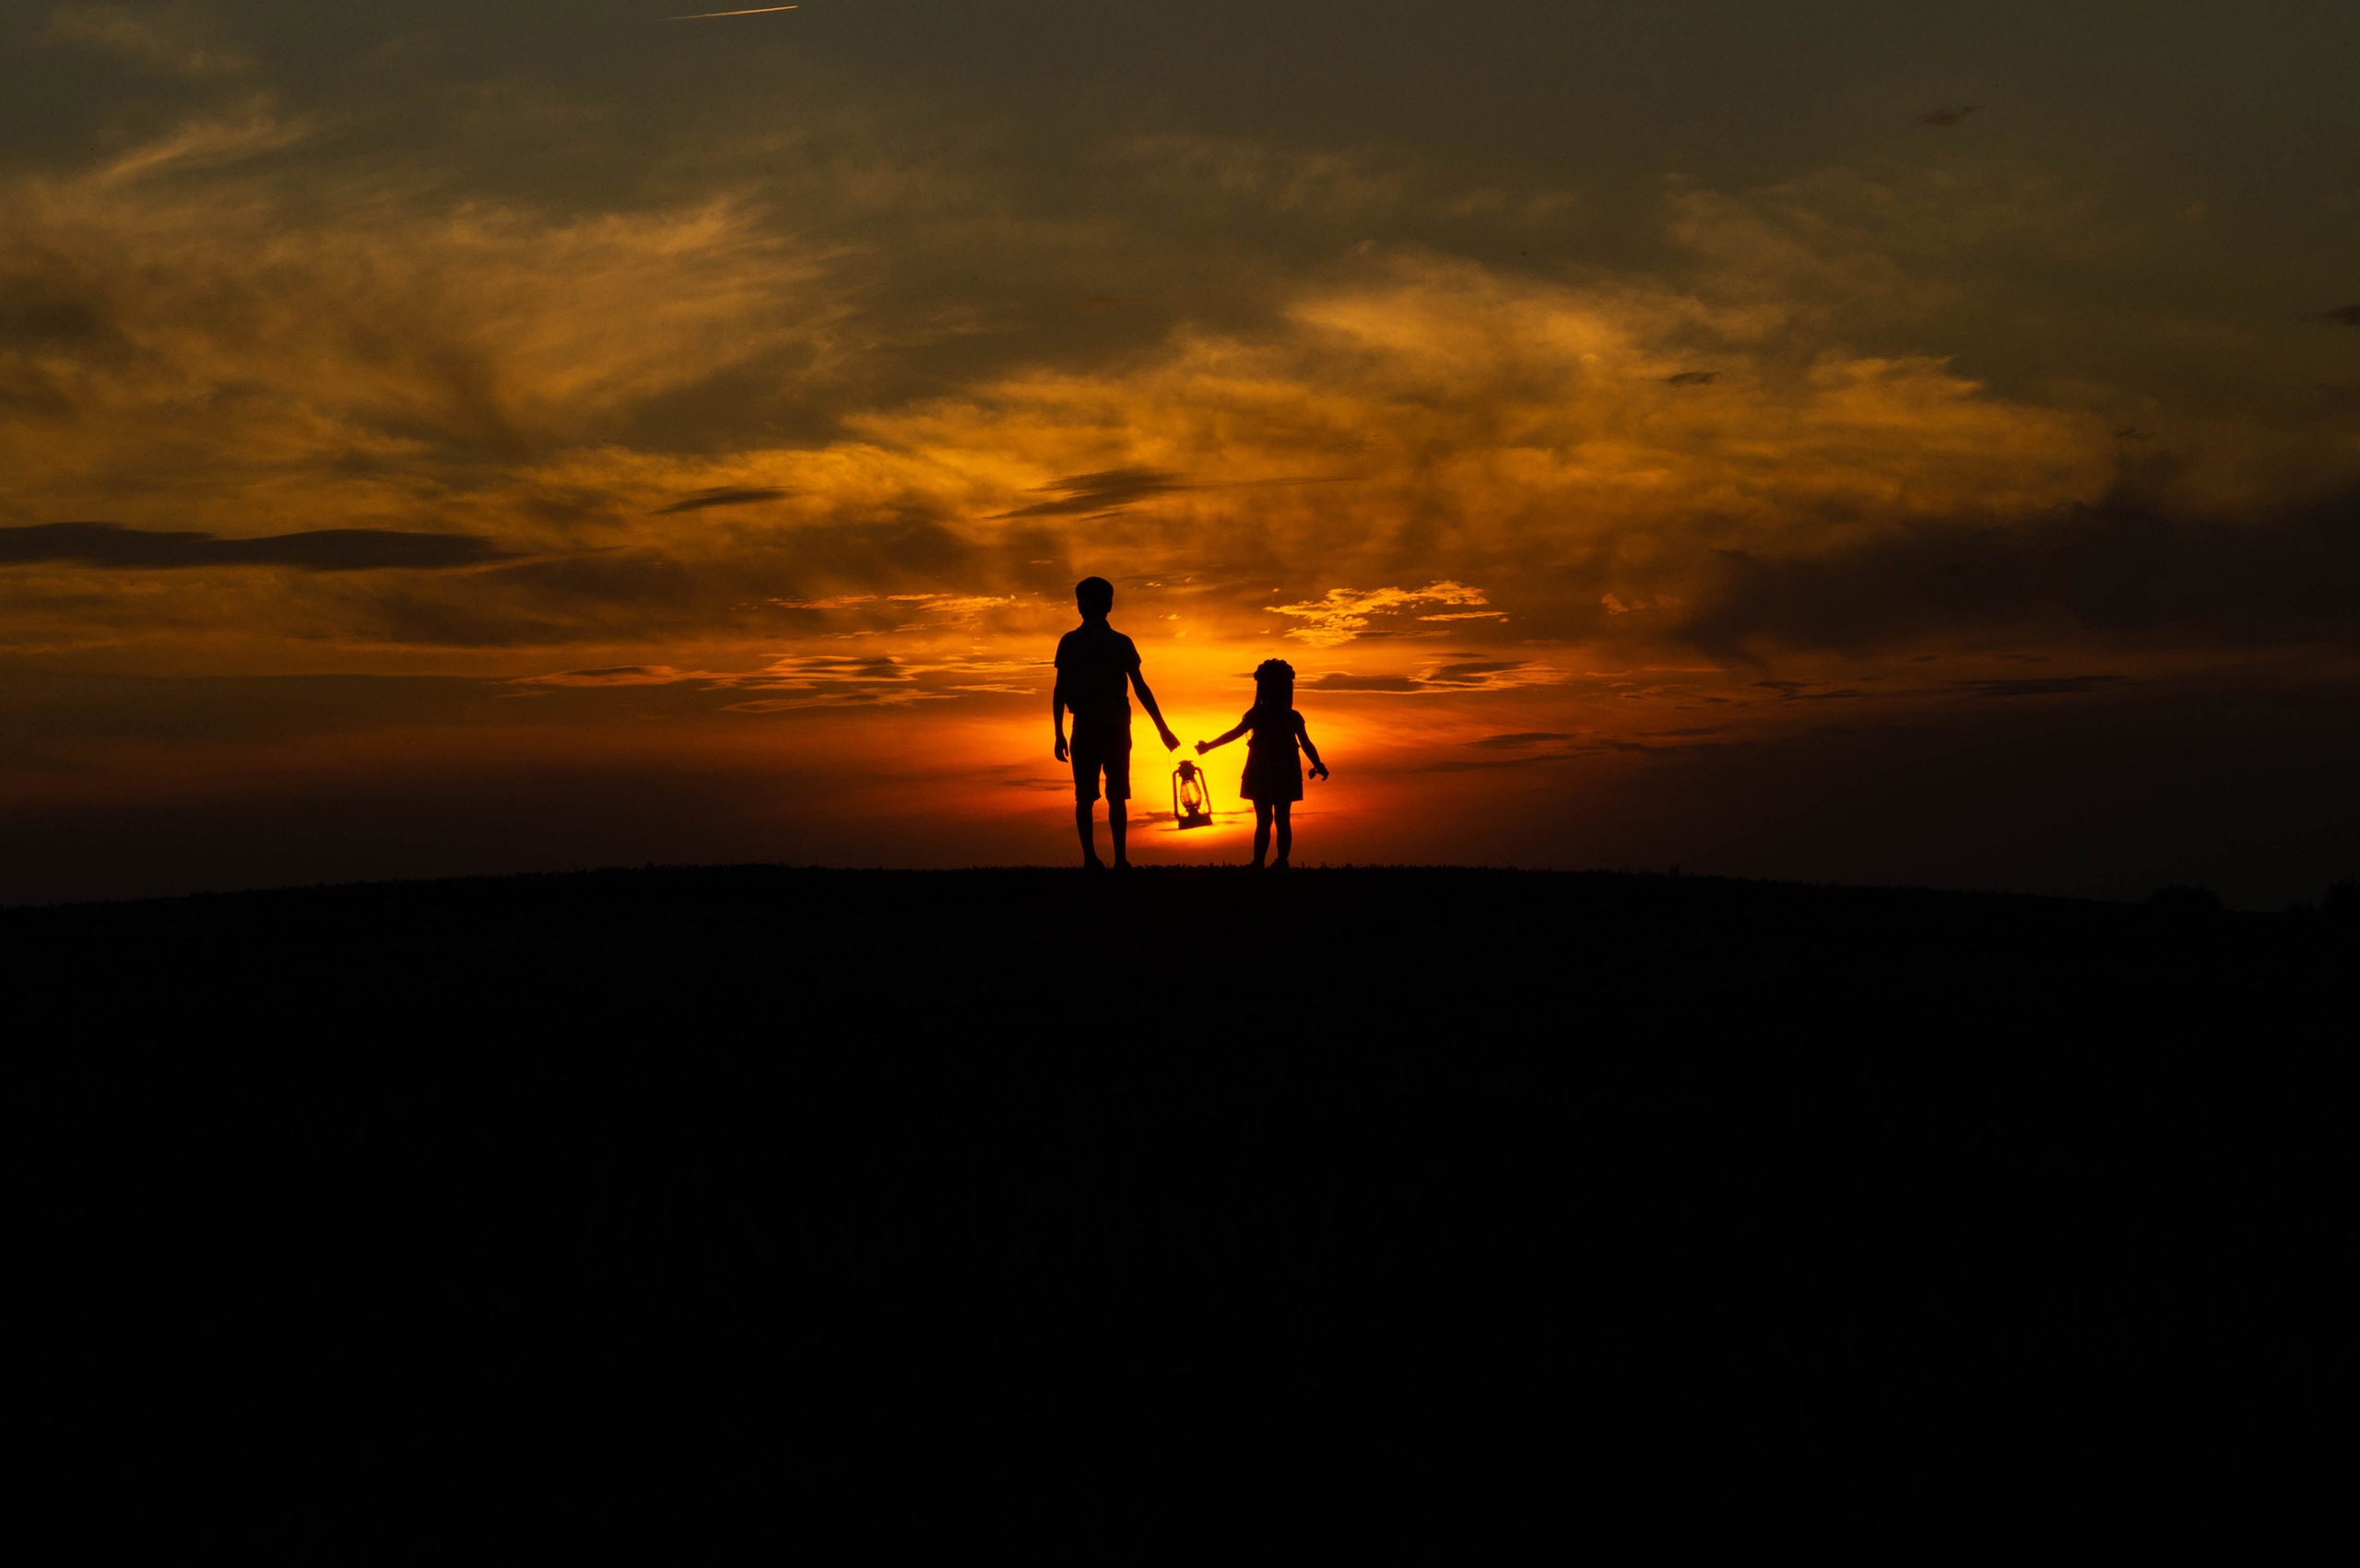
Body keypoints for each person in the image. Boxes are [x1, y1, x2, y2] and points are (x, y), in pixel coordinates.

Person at [1053, 576, 1180, 871]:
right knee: (1116, 796)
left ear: (1080, 606)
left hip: (1088, 726)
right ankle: (1119, 859)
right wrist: (1162, 728)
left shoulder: (1071, 642)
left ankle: (1092, 859)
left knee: (1086, 797)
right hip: (1114, 727)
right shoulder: (1120, 643)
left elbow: (1060, 690)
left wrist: (1059, 732)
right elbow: (1141, 688)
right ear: (1109, 605)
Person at [1197, 658, 1327, 870]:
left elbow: (1234, 734)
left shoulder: (1260, 715)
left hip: (1262, 772)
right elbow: (1306, 744)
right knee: (1281, 819)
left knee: (1265, 820)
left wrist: (1209, 746)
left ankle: (1261, 862)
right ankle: (1278, 862)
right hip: (1282, 772)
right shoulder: (1290, 717)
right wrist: (1318, 765)